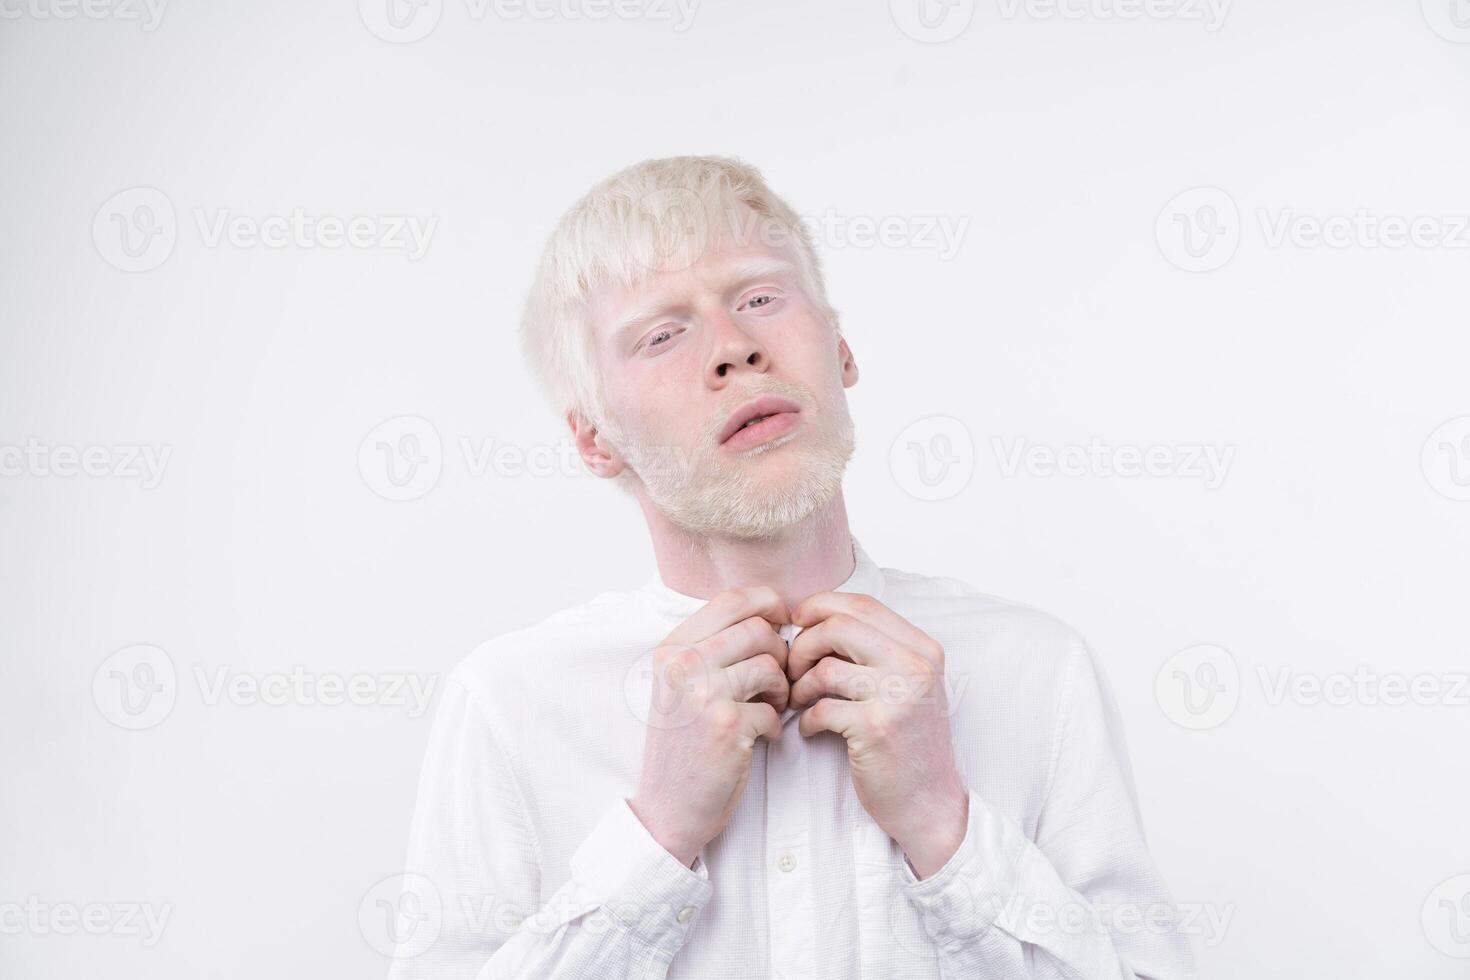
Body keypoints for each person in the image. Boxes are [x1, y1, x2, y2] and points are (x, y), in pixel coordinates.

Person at [384, 155, 1197, 979]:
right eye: (662, 335)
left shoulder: (1036, 671)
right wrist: (654, 839)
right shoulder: (507, 705)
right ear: (594, 438)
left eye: (760, 299)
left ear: (841, 350)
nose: (734, 348)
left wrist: (943, 830)